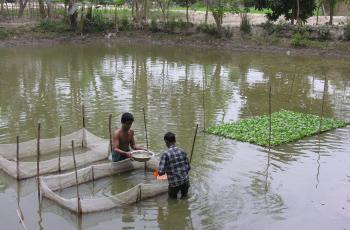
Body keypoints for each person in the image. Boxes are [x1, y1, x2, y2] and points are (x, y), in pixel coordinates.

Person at [158, 132, 191, 199]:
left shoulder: (165, 154)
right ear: (175, 141)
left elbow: (160, 172)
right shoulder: (182, 151)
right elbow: (188, 168)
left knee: (172, 202)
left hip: (174, 184)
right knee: (184, 199)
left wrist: (165, 171)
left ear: (166, 141)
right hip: (185, 182)